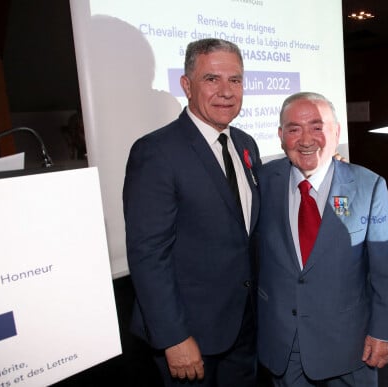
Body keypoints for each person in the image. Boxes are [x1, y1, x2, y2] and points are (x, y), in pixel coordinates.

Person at [123, 38, 260, 387]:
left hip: (243, 327)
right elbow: (148, 254)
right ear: (186, 85)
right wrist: (173, 337)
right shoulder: (156, 152)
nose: (227, 91)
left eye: (236, 80)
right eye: (212, 79)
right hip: (190, 335)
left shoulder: (246, 144)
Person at [255, 92, 388, 386]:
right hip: (286, 344)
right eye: (294, 129)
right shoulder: (263, 180)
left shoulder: (368, 186)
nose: (306, 139)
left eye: (318, 127)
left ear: (336, 132)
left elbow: (386, 272)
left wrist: (383, 331)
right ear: (281, 136)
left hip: (350, 347)